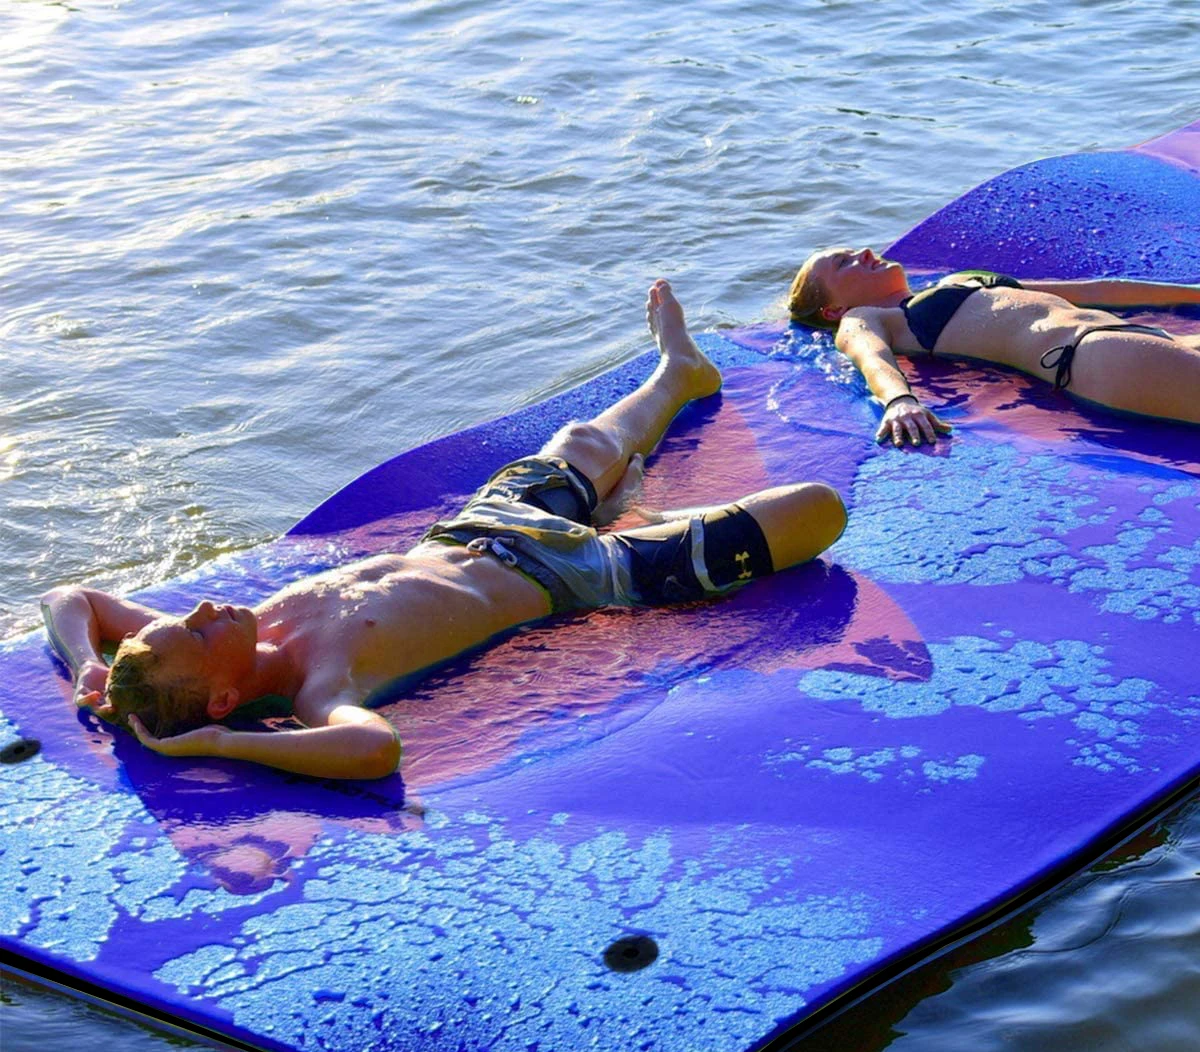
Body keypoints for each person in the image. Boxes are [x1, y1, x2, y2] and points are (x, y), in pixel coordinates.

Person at [42, 281, 847, 780]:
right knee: (816, 508)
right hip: (582, 576)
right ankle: (641, 519)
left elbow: (71, 595)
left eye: (188, 614)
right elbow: (374, 751)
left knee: (578, 443)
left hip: (479, 527)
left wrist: (87, 663)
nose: (204, 606)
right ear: (222, 695)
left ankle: (678, 372)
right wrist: (214, 748)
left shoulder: (232, 638)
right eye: (198, 628)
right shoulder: (320, 686)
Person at [787, 247, 1200, 446]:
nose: (864, 253)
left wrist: (1192, 294)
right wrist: (899, 401)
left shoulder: (959, 280)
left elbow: (1098, 291)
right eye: (843, 263)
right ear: (833, 310)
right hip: (1094, 355)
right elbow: (870, 355)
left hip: (1147, 339)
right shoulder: (873, 318)